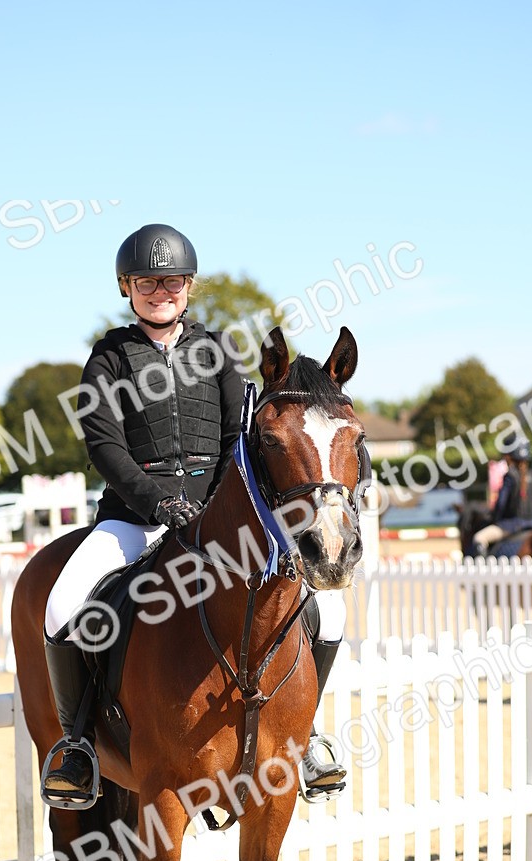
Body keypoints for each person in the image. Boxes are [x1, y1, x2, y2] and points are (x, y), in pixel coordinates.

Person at [42, 223, 349, 802]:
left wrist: (227, 506)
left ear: (189, 286)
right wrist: (158, 502)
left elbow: (243, 432)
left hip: (214, 520)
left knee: (327, 610)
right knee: (62, 607)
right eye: (146, 282)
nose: (161, 291)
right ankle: (77, 746)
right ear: (126, 288)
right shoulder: (109, 357)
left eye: (172, 281)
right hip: (134, 520)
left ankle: (304, 738)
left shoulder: (217, 352)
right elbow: (104, 445)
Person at [471, 435, 532, 556]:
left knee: (479, 538)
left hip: (511, 525)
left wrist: (494, 518)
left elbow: (501, 504)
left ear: (509, 456)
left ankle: (485, 570)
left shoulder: (510, 476)